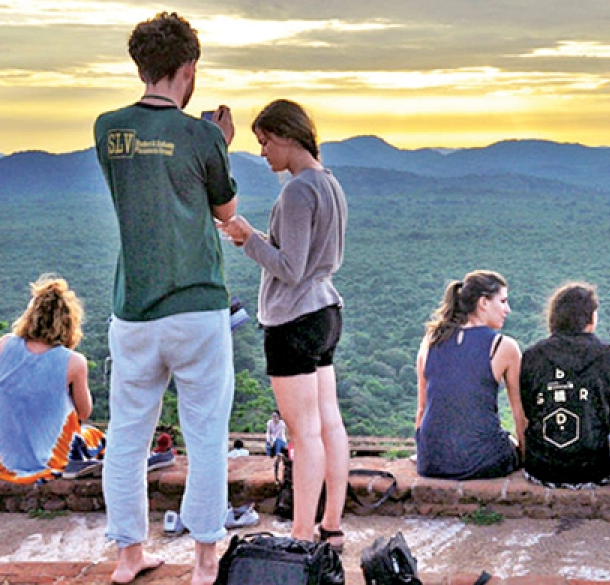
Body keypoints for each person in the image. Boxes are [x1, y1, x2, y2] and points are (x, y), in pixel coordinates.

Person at [92, 12, 238, 585]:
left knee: (127, 436)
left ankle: (129, 556)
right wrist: (219, 144)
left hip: (133, 308)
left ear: (140, 66)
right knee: (206, 437)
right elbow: (223, 212)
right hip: (198, 306)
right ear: (189, 69)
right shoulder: (202, 136)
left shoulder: (108, 129)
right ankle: (204, 562)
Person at [219, 99, 350, 550]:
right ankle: (330, 525)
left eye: (266, 142)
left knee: (304, 432)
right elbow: (316, 258)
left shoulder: (296, 191)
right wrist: (259, 238)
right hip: (327, 311)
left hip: (293, 317)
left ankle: (300, 535)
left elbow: (290, 267)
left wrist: (247, 239)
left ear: (288, 136)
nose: (262, 153)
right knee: (329, 423)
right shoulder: (329, 183)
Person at [0, 275, 105, 483]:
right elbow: (84, 412)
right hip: (53, 459)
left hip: (6, 462)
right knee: (95, 436)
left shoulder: (5, 345)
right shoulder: (74, 362)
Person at [414, 270, 524, 480]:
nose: (507, 310)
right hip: (482, 461)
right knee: (508, 442)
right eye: (503, 301)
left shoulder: (430, 342)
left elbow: (422, 410)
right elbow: (519, 414)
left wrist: (425, 454)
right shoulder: (503, 345)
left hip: (430, 462)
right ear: (483, 302)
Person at [519, 282, 610, 488]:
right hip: (596, 468)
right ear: (591, 318)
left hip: (542, 468)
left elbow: (529, 408)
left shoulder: (532, 357)